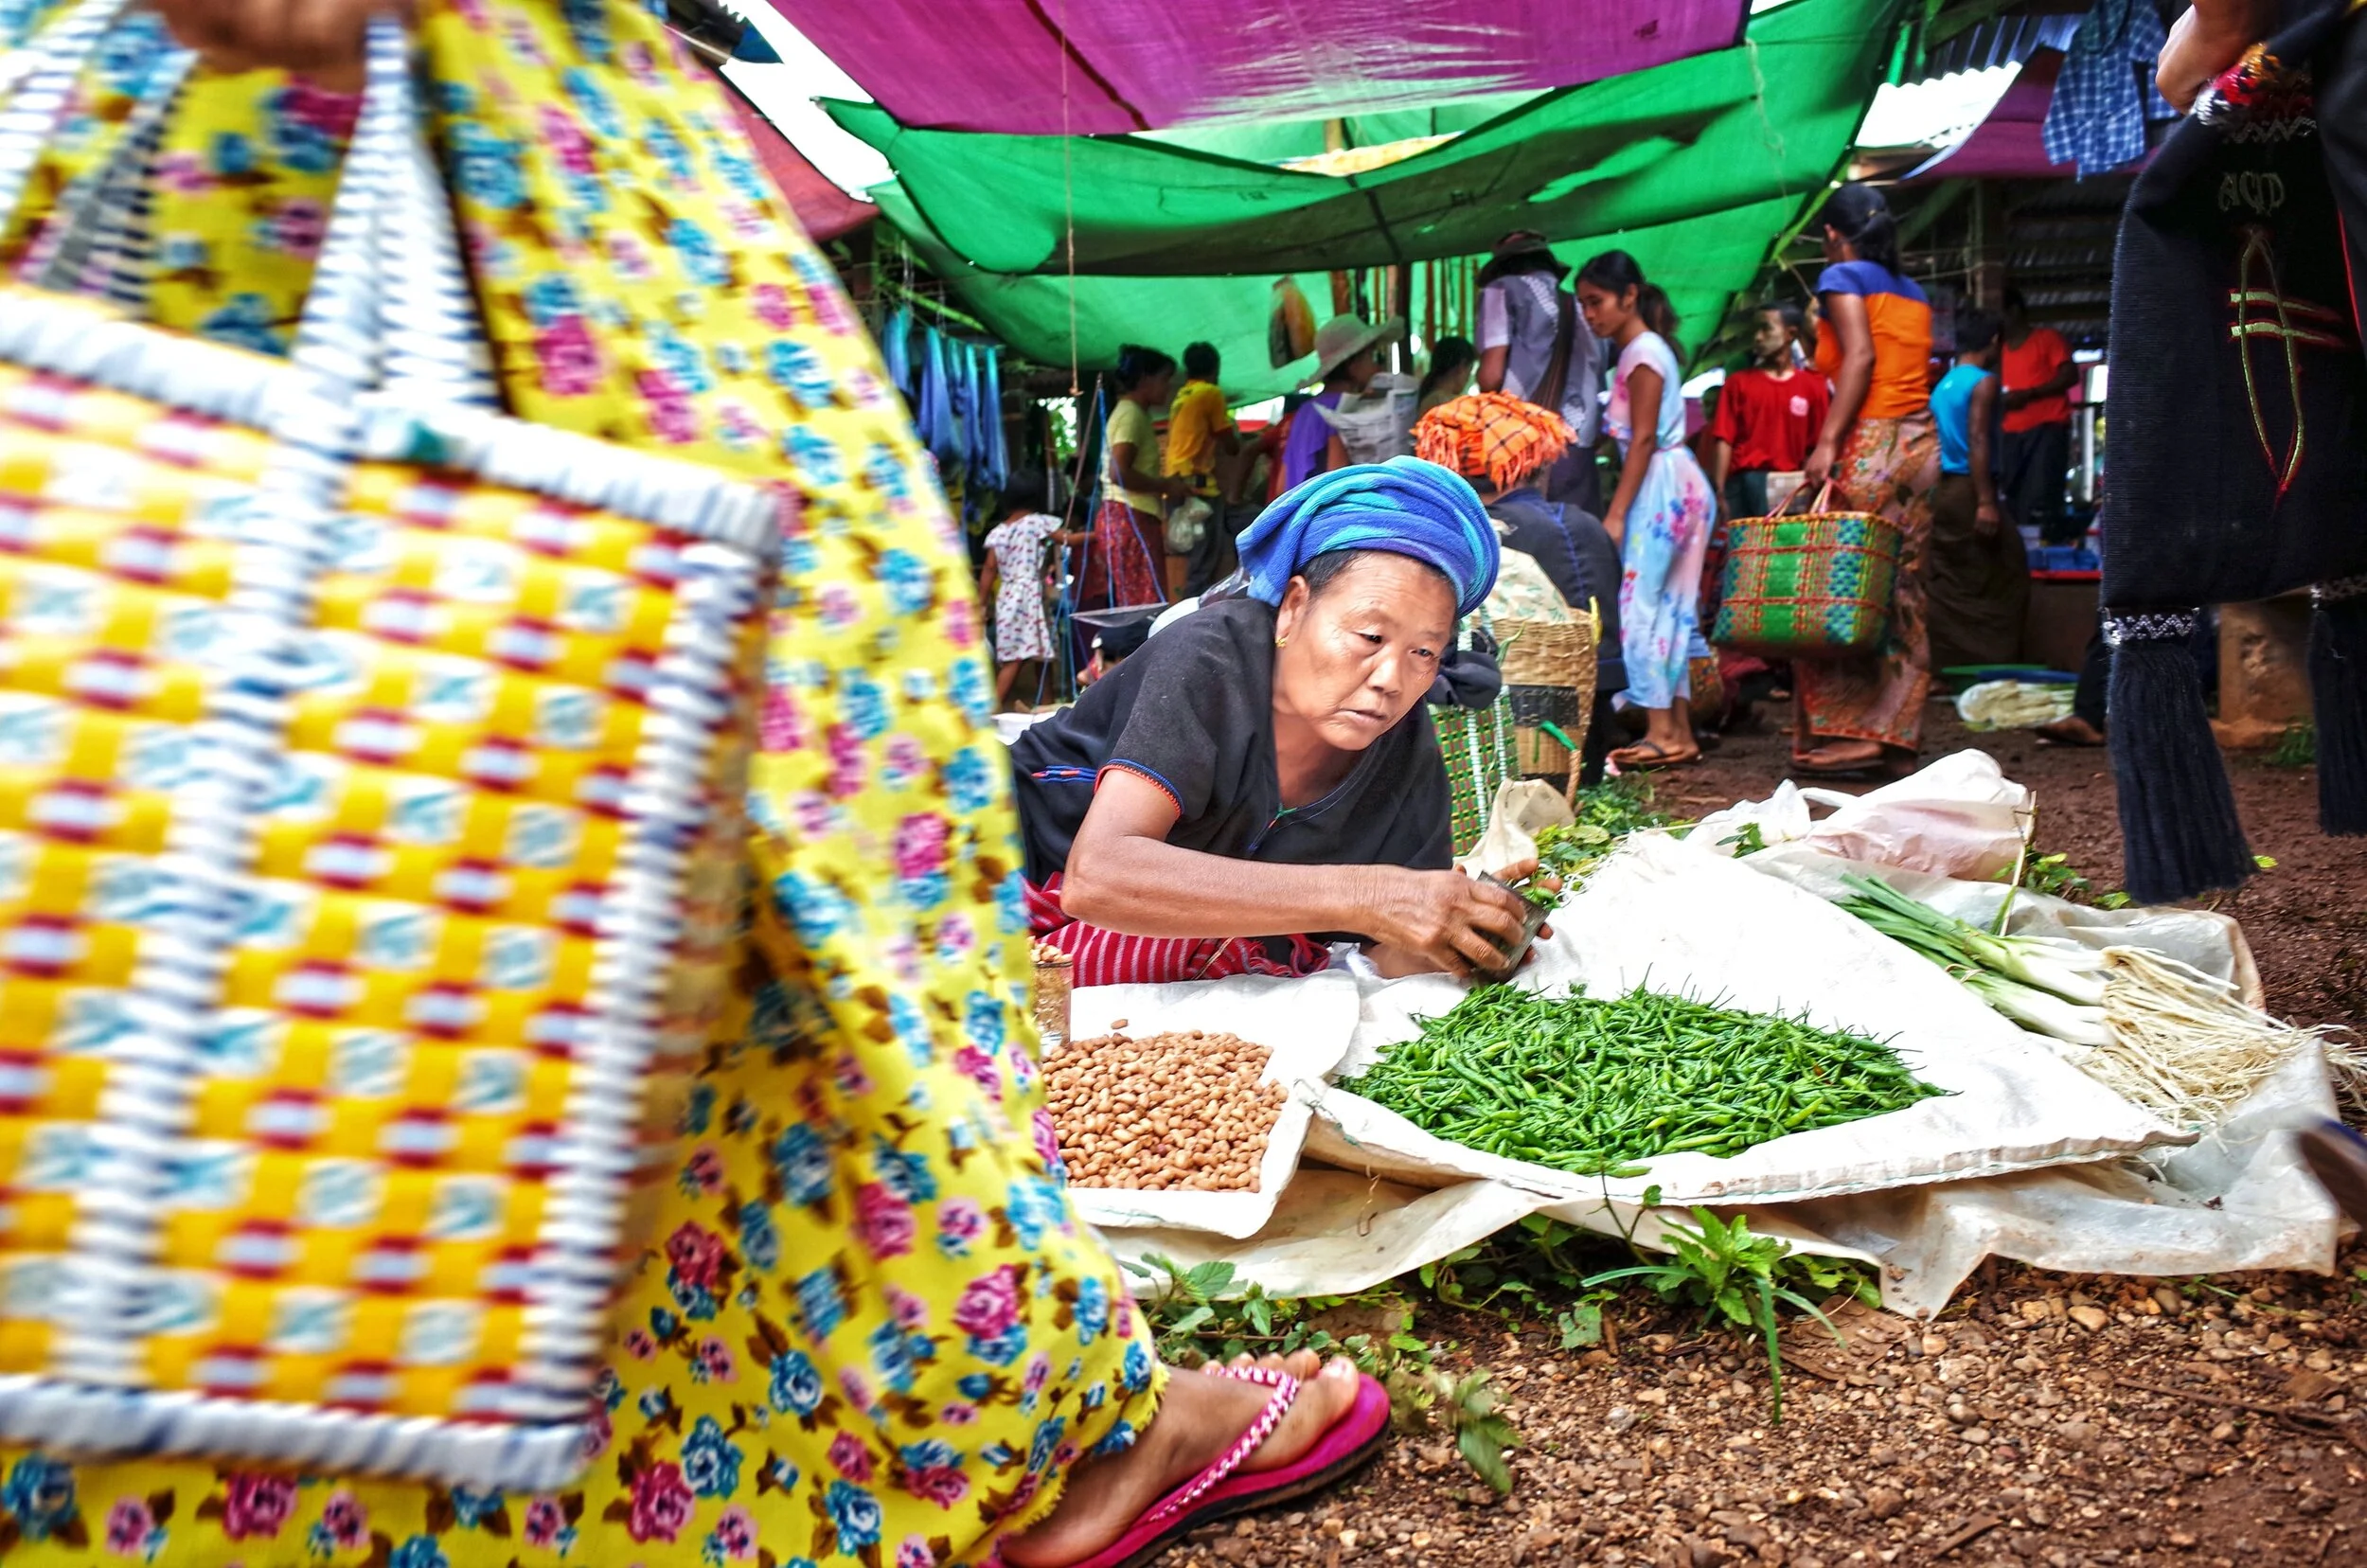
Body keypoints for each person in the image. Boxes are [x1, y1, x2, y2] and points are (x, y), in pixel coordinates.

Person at [0, 2, 1394, 1564]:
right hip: (406, 148)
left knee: (439, 866)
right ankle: (1030, 1435)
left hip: (298, 137)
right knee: (768, 791)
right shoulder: (1207, 643)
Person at [1009, 459, 1541, 987]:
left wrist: (1469, 931)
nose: (1391, 679)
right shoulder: (1210, 658)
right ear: (1293, 607)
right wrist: (1369, 895)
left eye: (1425, 651)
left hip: (1184, 945)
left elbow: (1385, 953)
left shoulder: (1404, 754)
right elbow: (1099, 878)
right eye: (1371, 637)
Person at [1797, 182, 1941, 776]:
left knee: (1842, 583)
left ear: (1833, 235)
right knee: (1903, 589)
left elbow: (1858, 359)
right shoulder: (1911, 292)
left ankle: (1855, 730)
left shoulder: (1841, 278)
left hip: (1875, 443)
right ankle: (1892, 730)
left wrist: (1827, 441)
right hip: (1922, 445)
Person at [1414, 392, 1628, 784]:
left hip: (1512, 744)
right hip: (1592, 731)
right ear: (1534, 467)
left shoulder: (1479, 539)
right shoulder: (1588, 525)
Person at [1576, 251, 1717, 770]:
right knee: (1674, 610)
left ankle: (1663, 729)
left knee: (1642, 608)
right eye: (1584, 305)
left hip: (1661, 485)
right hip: (1676, 484)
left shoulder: (1640, 354)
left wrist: (1614, 514)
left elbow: (1639, 443)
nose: (1590, 315)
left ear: (1629, 296)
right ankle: (1676, 731)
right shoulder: (1644, 350)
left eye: (1597, 302)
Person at [1924, 309, 2031, 678]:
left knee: (1950, 577)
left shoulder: (1945, 384)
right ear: (1995, 342)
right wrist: (1986, 501)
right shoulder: (1983, 382)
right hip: (1969, 487)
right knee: (2010, 568)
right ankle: (1989, 664)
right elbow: (1979, 439)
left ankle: (1946, 666)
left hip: (1943, 489)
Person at [1476, 231, 1605, 508]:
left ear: (1502, 267)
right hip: (1579, 449)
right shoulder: (1587, 307)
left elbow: (1491, 376)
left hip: (1523, 447)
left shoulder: (1500, 290)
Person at [1082, 344, 1191, 611]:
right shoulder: (1131, 415)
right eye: (1164, 380)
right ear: (1144, 379)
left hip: (1125, 516)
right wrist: (1165, 485)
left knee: (1137, 604)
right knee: (1144, 608)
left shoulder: (1133, 414)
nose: (1168, 387)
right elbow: (1118, 472)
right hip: (1129, 517)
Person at [1703, 302, 1828, 521]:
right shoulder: (1737, 384)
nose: (1758, 337)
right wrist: (1720, 490)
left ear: (1791, 334)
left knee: (1785, 551)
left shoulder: (1813, 387)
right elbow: (1724, 439)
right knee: (1745, 552)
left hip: (1791, 486)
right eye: (1755, 331)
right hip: (1743, 485)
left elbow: (1816, 445)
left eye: (1766, 328)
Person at [981, 474, 1090, 708]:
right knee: (1020, 658)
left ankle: (1044, 708)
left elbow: (990, 569)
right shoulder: (1037, 522)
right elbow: (1067, 539)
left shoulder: (998, 532)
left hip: (1008, 597)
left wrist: (981, 604)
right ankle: (989, 711)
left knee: (1037, 653)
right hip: (1029, 596)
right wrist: (1096, 535)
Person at [1997, 286, 2081, 545]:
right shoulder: (2000, 351)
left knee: (2042, 497)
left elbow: (2070, 375)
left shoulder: (2047, 339)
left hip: (2047, 430)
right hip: (2011, 433)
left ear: (2014, 311)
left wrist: (2030, 394)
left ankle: (2048, 553)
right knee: (2013, 499)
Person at [1281, 314, 1400, 491]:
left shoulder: (1305, 410)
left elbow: (1281, 486)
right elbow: (1338, 482)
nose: (1377, 366)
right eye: (1372, 356)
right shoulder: (1347, 408)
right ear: (1353, 363)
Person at [1417, 335, 1479, 416]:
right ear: (1461, 365)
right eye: (1469, 370)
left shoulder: (1431, 399)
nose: (1468, 378)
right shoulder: (1442, 401)